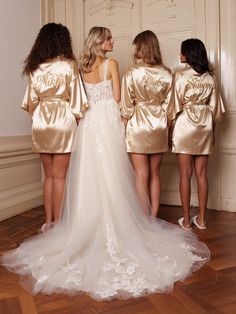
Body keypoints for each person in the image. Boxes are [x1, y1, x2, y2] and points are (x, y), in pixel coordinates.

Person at [1, 27, 210, 301]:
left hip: (87, 125)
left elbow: (81, 101)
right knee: (114, 176)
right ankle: (135, 221)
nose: (113, 41)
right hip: (108, 124)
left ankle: (69, 223)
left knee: (87, 176)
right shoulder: (112, 64)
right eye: (110, 38)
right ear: (101, 42)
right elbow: (117, 100)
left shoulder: (80, 67)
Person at [21, 23, 88, 232]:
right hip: (63, 120)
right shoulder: (69, 66)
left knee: (48, 175)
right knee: (60, 177)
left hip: (41, 122)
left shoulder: (35, 67)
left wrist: (42, 115)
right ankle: (59, 225)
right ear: (63, 41)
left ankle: (48, 221)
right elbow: (78, 103)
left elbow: (30, 102)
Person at [168, 38, 225, 230]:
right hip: (205, 127)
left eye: (182, 52)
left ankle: (186, 221)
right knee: (202, 174)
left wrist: (170, 132)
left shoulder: (179, 76)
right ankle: (201, 219)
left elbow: (173, 108)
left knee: (185, 174)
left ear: (188, 54)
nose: (179, 55)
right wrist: (212, 133)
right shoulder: (211, 78)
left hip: (185, 125)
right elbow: (216, 111)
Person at [121, 30, 172, 217]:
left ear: (143, 47)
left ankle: (142, 220)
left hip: (138, 124)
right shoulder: (167, 73)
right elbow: (170, 106)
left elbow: (126, 107)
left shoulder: (131, 72)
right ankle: (153, 217)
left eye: (137, 46)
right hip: (159, 124)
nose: (135, 50)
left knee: (141, 175)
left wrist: (122, 127)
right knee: (155, 174)